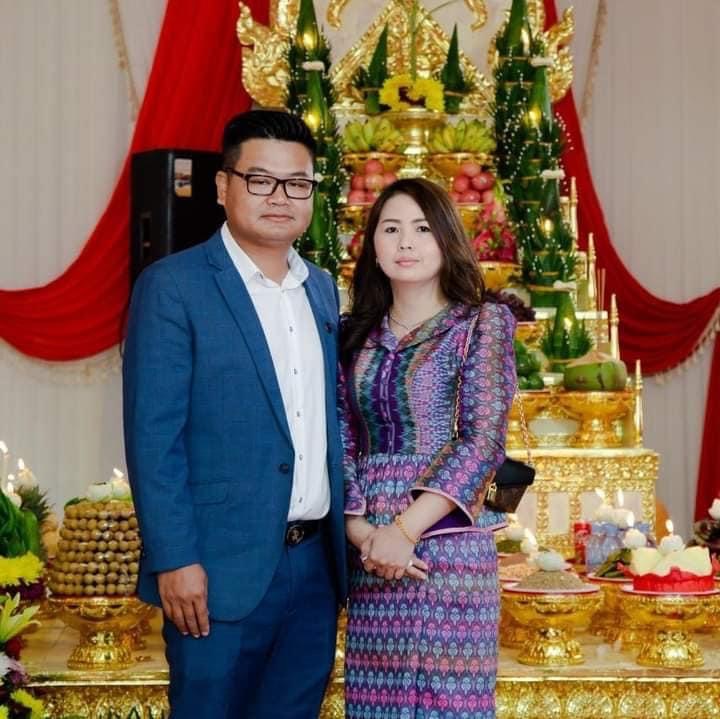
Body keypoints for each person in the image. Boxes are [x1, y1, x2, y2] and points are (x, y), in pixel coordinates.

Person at [123, 110, 347, 719]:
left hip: (313, 568)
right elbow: (153, 437)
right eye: (260, 180)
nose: (280, 197)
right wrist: (174, 558)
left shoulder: (321, 288)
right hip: (215, 571)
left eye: (297, 183)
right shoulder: (174, 286)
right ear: (223, 187)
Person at [339, 178, 516, 719]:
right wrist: (361, 531)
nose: (405, 242)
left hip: (447, 539)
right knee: (376, 703)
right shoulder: (352, 333)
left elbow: (482, 439)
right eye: (390, 229)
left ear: (446, 239)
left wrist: (405, 531)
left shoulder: (481, 322)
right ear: (372, 244)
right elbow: (339, 435)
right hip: (370, 547)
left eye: (421, 228)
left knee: (446, 701)